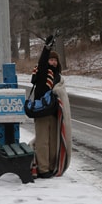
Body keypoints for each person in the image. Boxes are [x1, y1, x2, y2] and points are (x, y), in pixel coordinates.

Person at [31, 35, 72, 178]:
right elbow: (42, 63)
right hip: (42, 112)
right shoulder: (43, 73)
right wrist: (46, 49)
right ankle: (43, 169)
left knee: (54, 142)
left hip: (54, 114)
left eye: (55, 60)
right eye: (51, 59)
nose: (53, 62)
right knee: (42, 142)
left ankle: (51, 166)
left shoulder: (59, 78)